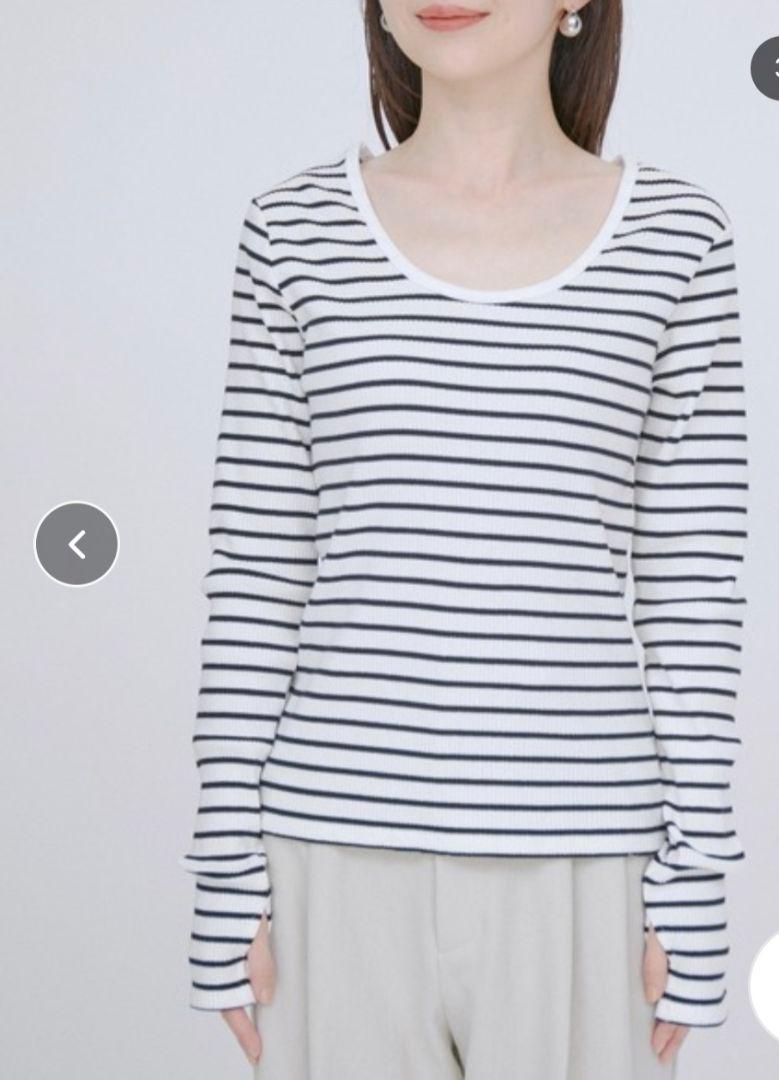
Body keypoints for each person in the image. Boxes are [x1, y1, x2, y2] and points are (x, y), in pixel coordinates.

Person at [179, 2, 749, 1076]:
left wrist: (696, 883)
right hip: (329, 860)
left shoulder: (678, 238)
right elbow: (256, 576)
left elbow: (690, 591)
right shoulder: (291, 230)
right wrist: (224, 875)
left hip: (584, 862)